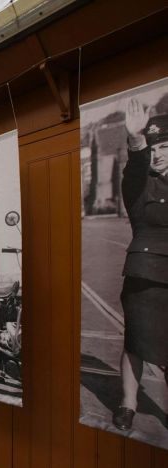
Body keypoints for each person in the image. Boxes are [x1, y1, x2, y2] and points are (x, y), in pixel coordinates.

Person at [112, 101, 168, 431]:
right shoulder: (138, 183)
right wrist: (136, 142)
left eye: (165, 147)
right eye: (155, 148)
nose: (158, 154)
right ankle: (127, 404)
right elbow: (136, 166)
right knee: (135, 342)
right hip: (143, 277)